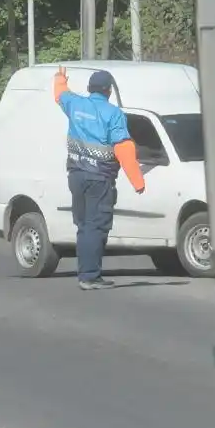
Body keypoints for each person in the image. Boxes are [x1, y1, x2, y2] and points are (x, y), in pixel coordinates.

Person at [54, 67, 146, 290]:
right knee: (96, 227)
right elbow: (124, 148)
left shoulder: (75, 104)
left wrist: (60, 78)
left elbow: (59, 94)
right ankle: (90, 277)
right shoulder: (113, 114)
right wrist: (137, 181)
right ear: (108, 91)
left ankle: (86, 273)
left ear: (89, 88)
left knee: (84, 225)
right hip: (99, 179)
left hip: (76, 176)